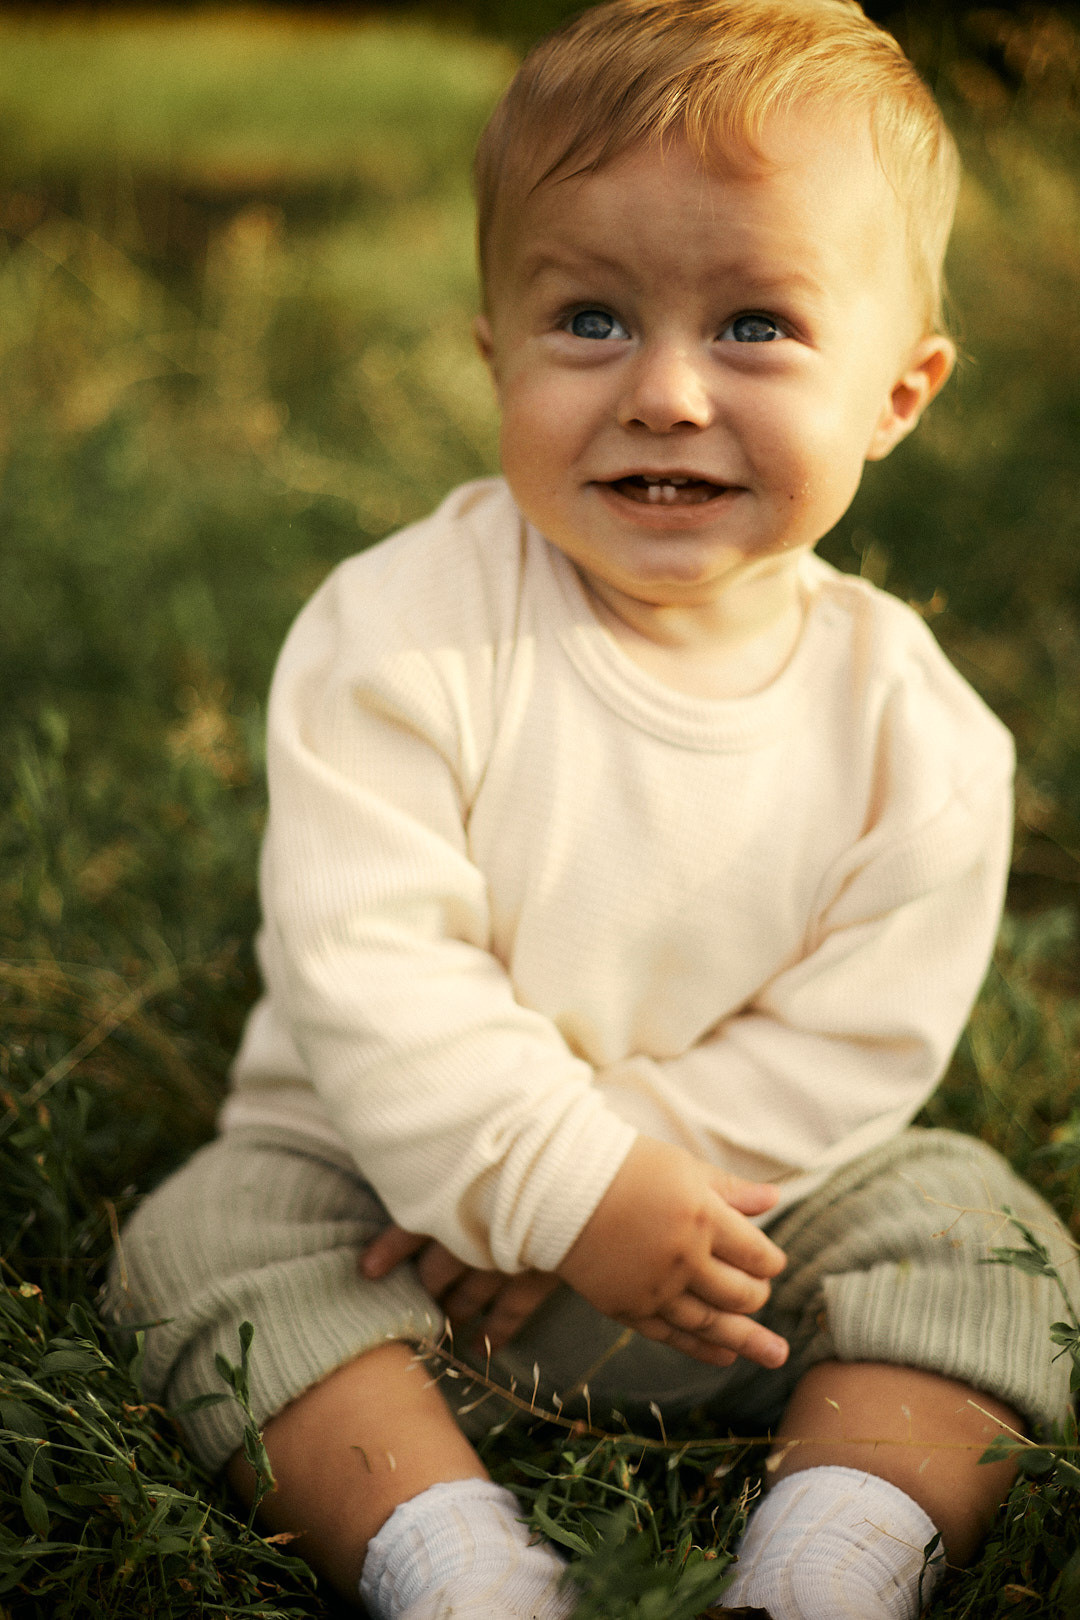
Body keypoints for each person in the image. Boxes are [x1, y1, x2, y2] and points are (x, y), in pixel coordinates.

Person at [105, 2, 1077, 1616]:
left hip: (729, 1243)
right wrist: (538, 1181)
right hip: (390, 1222)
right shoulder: (405, 628)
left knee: (977, 1231)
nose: (670, 393)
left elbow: (858, 1041)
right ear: (497, 348)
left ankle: (832, 1556)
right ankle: (457, 1561)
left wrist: (615, 1184)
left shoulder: (916, 729)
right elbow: (375, 967)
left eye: (758, 324)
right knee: (201, 1235)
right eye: (592, 322)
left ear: (899, 396)